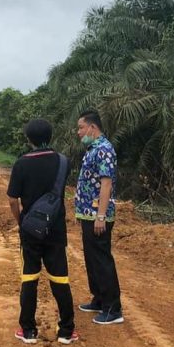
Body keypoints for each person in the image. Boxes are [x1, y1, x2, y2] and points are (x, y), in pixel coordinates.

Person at [7, 118, 78, 345]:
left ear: (28, 139)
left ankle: (28, 330)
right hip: (56, 230)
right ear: (51, 136)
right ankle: (67, 331)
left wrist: (22, 221)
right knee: (60, 278)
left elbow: (12, 200)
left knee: (30, 277)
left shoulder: (21, 164)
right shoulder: (63, 162)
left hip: (30, 230)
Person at [75, 110, 124, 324]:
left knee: (102, 259)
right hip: (87, 213)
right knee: (91, 258)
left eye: (80, 127)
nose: (78, 132)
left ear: (92, 127)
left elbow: (106, 183)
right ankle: (99, 299)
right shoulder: (92, 148)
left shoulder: (104, 150)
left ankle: (113, 309)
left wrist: (101, 216)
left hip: (98, 214)